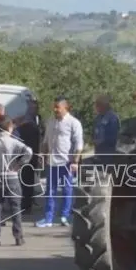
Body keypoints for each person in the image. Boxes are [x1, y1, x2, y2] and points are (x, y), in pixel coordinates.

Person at [36, 96, 83, 228]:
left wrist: (75, 161)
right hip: (52, 162)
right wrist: (42, 155)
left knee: (67, 190)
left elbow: (79, 143)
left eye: (58, 107)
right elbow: (45, 141)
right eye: (54, 107)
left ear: (65, 107)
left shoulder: (74, 123)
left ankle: (64, 217)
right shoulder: (51, 121)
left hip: (67, 162)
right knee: (50, 190)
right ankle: (48, 218)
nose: (55, 109)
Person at [0, 115, 32, 246]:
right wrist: (20, 164)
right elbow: (28, 151)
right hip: (11, 177)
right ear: (10, 127)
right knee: (15, 208)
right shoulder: (13, 141)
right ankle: (18, 237)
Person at [14, 98, 44, 212]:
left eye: (36, 107)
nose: (35, 109)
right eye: (33, 107)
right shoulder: (26, 123)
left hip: (32, 156)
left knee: (28, 181)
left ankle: (26, 205)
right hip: (26, 156)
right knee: (25, 181)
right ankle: (25, 205)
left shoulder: (35, 121)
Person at [92, 94, 120, 159]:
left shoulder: (112, 117)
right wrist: (94, 139)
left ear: (104, 105)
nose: (96, 107)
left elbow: (114, 135)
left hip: (109, 152)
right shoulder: (98, 118)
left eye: (98, 105)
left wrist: (102, 141)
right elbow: (94, 131)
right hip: (98, 151)